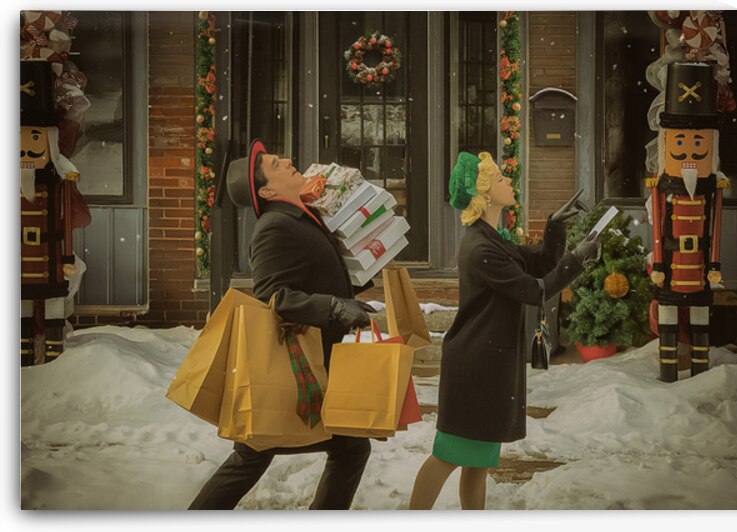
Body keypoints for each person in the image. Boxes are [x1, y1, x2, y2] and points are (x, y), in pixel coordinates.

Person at [189, 139, 376, 510]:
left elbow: (313, 276)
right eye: (276, 164)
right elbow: (273, 297)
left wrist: (358, 277)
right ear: (267, 190)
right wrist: (335, 307)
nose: (289, 161)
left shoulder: (303, 215)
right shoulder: (275, 227)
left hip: (316, 362)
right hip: (294, 367)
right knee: (254, 454)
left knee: (350, 446)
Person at [408, 151, 599, 510]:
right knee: (448, 457)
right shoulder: (481, 248)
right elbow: (534, 290)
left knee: (478, 463)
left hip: (487, 365)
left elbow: (539, 262)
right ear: (483, 195)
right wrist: (578, 260)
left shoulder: (491, 238)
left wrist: (556, 225)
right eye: (499, 179)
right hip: (476, 368)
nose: (508, 181)